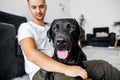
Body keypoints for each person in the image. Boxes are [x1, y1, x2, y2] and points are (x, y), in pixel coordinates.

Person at [17, 0, 120, 80]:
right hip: (41, 71)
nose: (38, 11)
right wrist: (67, 69)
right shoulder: (25, 27)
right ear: (29, 8)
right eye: (34, 7)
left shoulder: (51, 26)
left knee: (103, 66)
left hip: (63, 63)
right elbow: (31, 55)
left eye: (41, 6)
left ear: (46, 7)